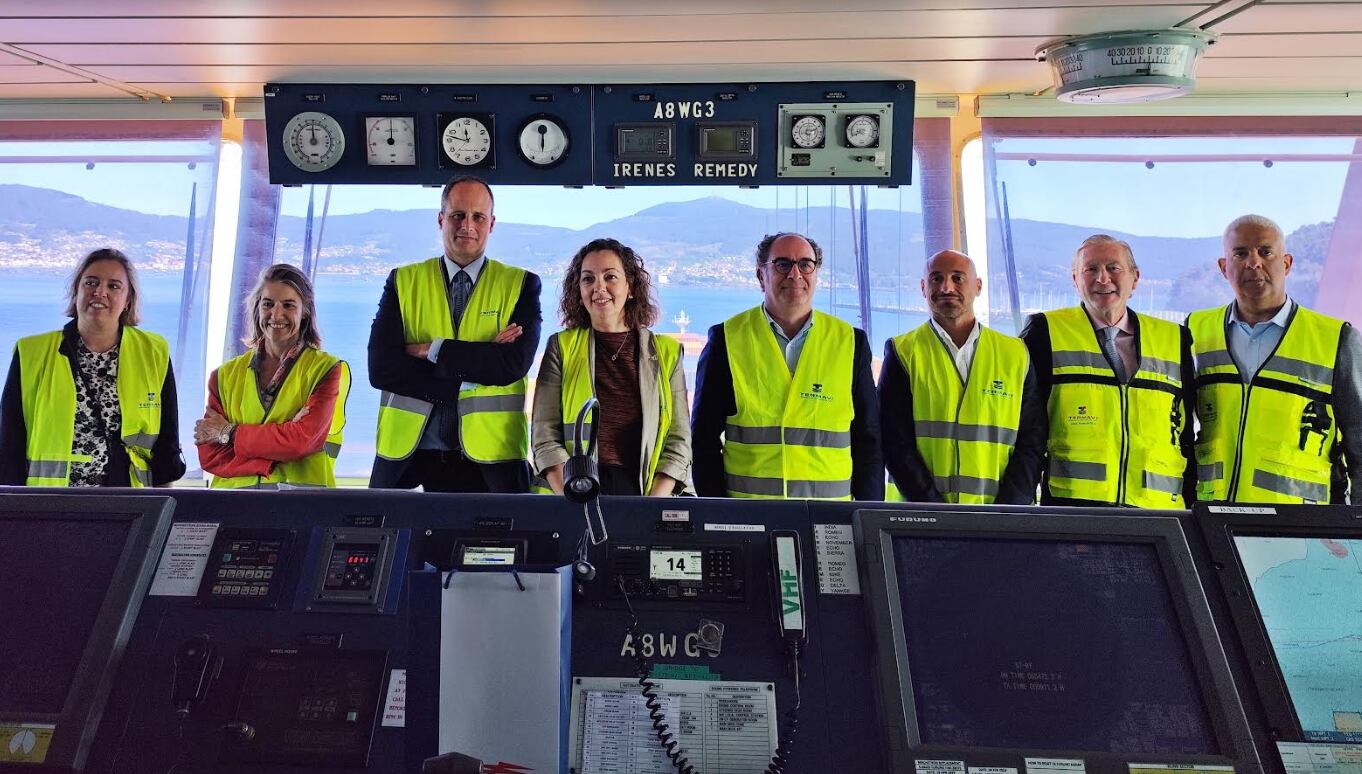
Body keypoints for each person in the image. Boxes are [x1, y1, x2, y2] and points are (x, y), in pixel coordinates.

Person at [367, 175, 542, 492]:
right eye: (457, 215)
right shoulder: (403, 281)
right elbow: (381, 369)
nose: (467, 225)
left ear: (491, 224)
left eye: (478, 216)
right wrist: (478, 361)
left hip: (494, 460)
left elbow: (511, 366)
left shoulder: (521, 285)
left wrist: (429, 350)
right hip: (407, 459)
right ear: (440, 219)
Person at [692, 232, 883, 500]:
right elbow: (703, 440)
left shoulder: (851, 342)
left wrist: (867, 517)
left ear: (816, 274)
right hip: (749, 520)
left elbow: (869, 441)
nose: (795, 274)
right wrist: (720, 513)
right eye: (782, 264)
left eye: (806, 264)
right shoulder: (727, 340)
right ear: (761, 276)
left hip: (830, 523)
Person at [1189, 214, 1362, 504]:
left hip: (1300, 528)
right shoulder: (1195, 331)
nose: (1253, 263)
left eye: (1265, 252)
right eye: (1240, 253)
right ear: (1223, 267)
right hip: (1212, 519)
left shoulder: (1336, 340)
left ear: (1286, 263)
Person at [1021, 235, 1195, 507]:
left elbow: (1185, 435)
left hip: (1158, 511)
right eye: (1091, 269)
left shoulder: (1174, 339)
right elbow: (1029, 431)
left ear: (1135, 278)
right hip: (1075, 512)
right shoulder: (1045, 333)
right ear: (1076, 279)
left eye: (1113, 268)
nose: (1103, 278)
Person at [0, 248, 185, 487]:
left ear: (128, 300)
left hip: (128, 504)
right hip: (50, 505)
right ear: (76, 291)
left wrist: (165, 511)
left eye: (114, 286)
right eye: (91, 282)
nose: (100, 291)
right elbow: (9, 445)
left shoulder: (153, 351)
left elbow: (166, 445)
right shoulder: (31, 352)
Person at [879, 249, 1046, 504]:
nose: (946, 287)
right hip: (920, 520)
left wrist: (1009, 510)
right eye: (936, 278)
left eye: (958, 278)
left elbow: (1032, 440)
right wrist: (933, 512)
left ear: (978, 286)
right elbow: (895, 442)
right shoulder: (903, 352)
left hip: (1000, 520)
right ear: (923, 287)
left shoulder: (1016, 354)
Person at [531, 238, 691, 496]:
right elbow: (544, 436)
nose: (599, 287)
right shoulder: (561, 347)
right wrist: (573, 498)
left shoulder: (667, 353)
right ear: (578, 290)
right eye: (588, 279)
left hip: (645, 492)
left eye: (610, 277)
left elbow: (678, 440)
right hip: (574, 491)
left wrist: (652, 507)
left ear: (631, 287)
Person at [195, 264, 350, 488]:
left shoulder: (326, 369)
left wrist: (228, 432)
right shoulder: (223, 376)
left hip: (301, 509)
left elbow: (301, 441)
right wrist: (276, 450)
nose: (276, 314)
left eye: (288, 305)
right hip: (234, 508)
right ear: (257, 307)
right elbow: (210, 455)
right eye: (268, 304)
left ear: (305, 311)